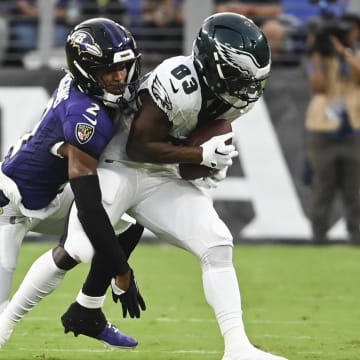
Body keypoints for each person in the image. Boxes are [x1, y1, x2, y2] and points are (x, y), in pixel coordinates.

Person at [1, 12, 287, 360]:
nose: (248, 88)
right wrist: (199, 154)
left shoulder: (226, 97)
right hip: (115, 168)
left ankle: (238, 348)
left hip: (157, 176)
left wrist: (211, 164)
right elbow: (137, 147)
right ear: (216, 66)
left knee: (217, 243)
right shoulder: (172, 85)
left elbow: (186, 151)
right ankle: (7, 324)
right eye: (240, 77)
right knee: (80, 247)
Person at [0, 17, 146, 348]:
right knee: (0, 318)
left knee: (129, 218)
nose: (120, 77)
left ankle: (88, 311)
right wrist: (122, 270)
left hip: (48, 195)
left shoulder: (84, 86)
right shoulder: (84, 115)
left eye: (123, 67)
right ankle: (7, 323)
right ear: (86, 71)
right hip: (9, 202)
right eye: (109, 71)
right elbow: (90, 205)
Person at [304, 13, 360, 244]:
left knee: (353, 190)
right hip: (323, 130)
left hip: (353, 129)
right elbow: (318, 86)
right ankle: (318, 237)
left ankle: (356, 236)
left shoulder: (354, 54)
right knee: (322, 188)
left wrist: (344, 52)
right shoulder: (322, 57)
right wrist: (318, 54)